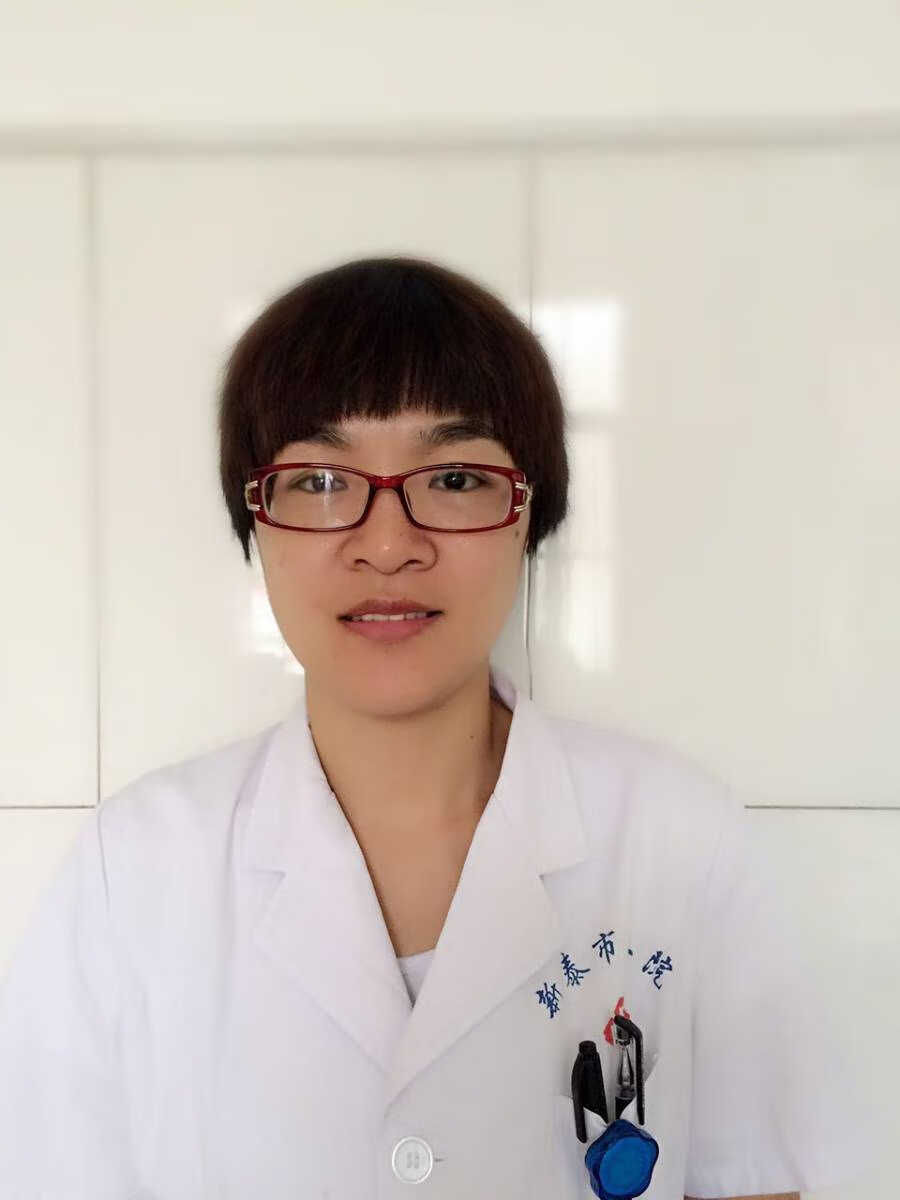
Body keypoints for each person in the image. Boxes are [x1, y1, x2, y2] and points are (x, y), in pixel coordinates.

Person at [0, 256, 883, 1197]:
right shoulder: (131, 875)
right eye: (320, 479)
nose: (388, 544)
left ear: (529, 515)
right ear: (254, 520)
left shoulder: (678, 842)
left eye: (456, 476)